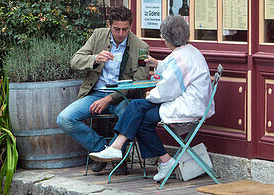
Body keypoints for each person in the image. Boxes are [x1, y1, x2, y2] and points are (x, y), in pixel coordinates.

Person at [89, 15, 212, 183]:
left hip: (188, 106)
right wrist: (157, 64)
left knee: (137, 111)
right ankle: (162, 159)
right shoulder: (190, 51)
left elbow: (167, 90)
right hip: (192, 102)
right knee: (138, 115)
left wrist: (151, 95)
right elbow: (174, 70)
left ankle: (118, 147)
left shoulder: (180, 58)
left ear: (166, 38)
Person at [57, 6, 150, 172]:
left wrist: (110, 99)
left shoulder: (141, 46)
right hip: (96, 93)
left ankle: (117, 157)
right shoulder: (98, 35)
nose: (121, 34)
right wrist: (95, 59)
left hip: (122, 96)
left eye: (125, 29)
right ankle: (102, 150)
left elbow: (140, 81)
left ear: (130, 27)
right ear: (109, 25)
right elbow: (75, 61)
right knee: (64, 119)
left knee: (130, 117)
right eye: (116, 29)